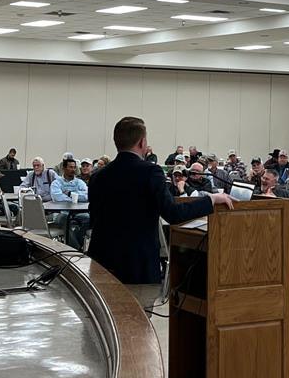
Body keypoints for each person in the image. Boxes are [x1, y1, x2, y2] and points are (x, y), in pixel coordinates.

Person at [87, 116, 232, 291]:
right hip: (137, 266)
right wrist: (211, 200)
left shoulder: (97, 177)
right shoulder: (150, 171)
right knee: (137, 317)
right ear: (142, 143)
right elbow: (173, 213)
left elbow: (94, 218)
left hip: (101, 263)